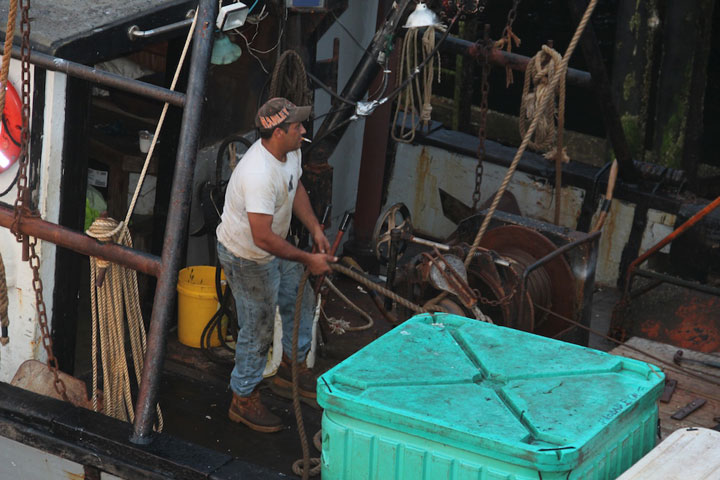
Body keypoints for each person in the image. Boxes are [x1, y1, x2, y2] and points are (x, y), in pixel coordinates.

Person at [216, 97, 336, 433]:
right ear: (278, 132)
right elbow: (263, 238)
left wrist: (315, 228)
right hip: (248, 257)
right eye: (297, 126)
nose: (304, 130)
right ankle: (243, 398)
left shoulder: (291, 152)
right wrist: (308, 258)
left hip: (273, 251)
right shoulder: (257, 173)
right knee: (258, 329)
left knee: (301, 301)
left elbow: (294, 187)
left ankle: (291, 370)